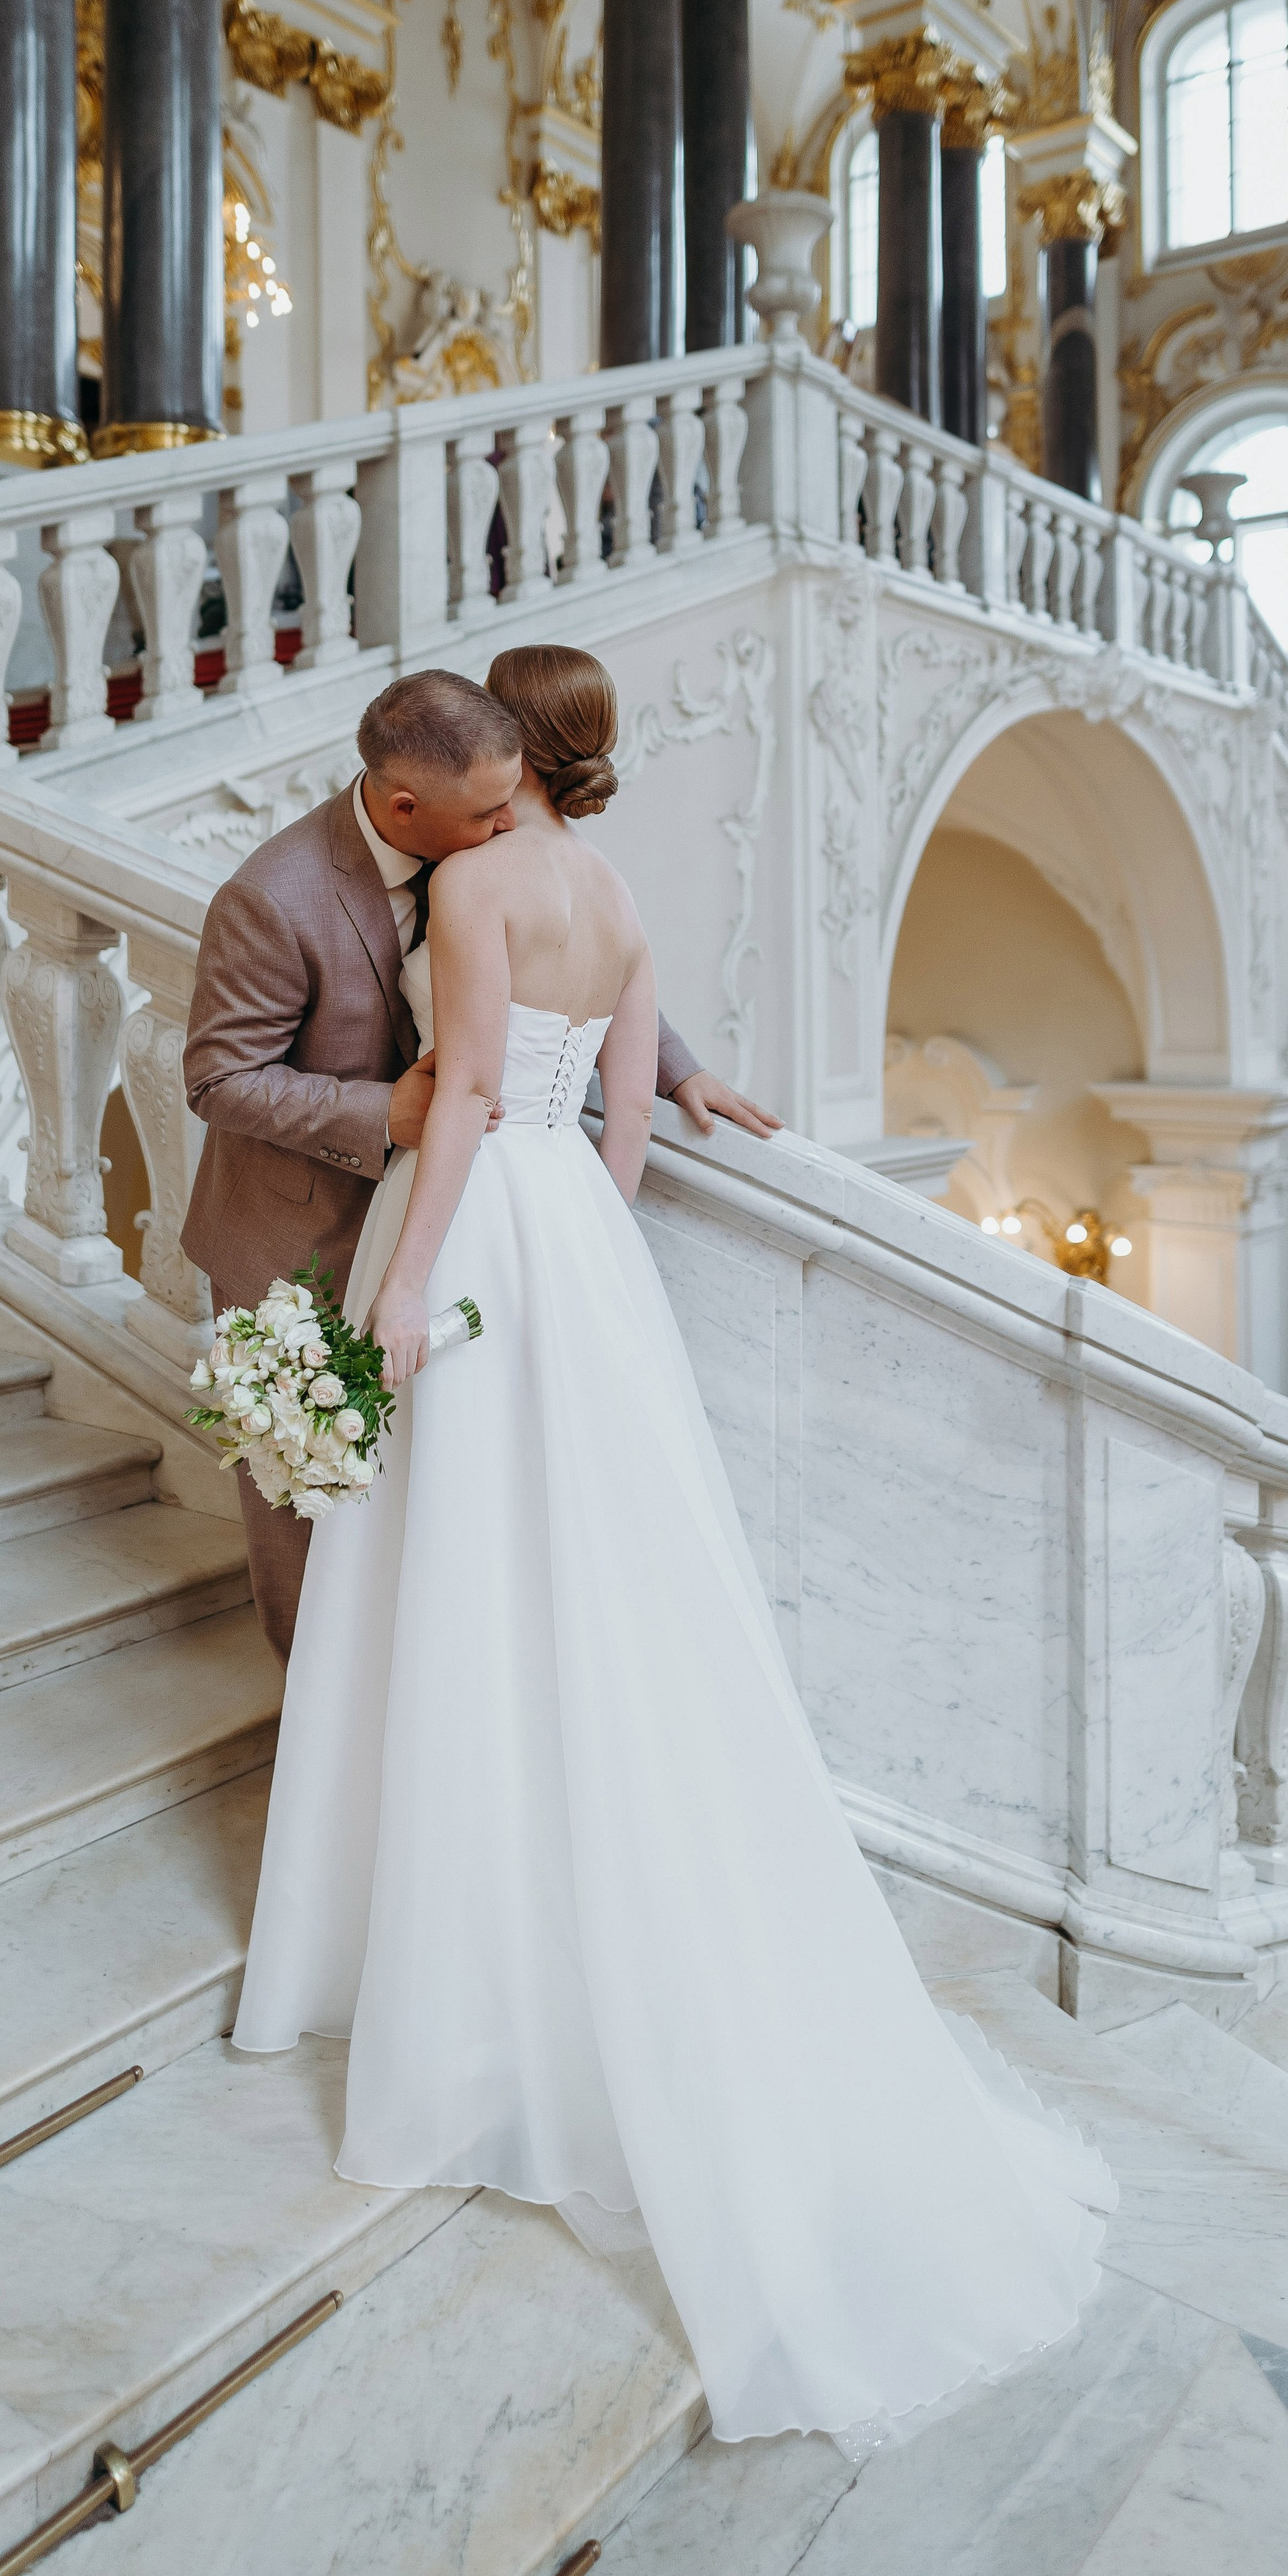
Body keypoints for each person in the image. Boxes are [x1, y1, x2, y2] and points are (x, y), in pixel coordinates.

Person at [231, 643, 1114, 2450]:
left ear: (503, 771)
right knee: (584, 1593)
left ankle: (430, 1953)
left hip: (470, 1219)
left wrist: (412, 1280)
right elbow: (614, 1116)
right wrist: (586, 1253)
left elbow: (462, 1095)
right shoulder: (617, 895)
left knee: (446, 1583)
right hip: (575, 1236)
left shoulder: (473, 885)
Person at [181, 663, 778, 1667]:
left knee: (449, 1511)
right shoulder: (273, 898)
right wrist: (384, 1112)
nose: (514, 825)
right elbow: (218, 1077)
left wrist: (678, 1067)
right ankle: (308, 1728)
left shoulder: (473, 851)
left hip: (445, 1214)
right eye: (490, 811)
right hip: (296, 1235)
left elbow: (556, 969)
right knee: (310, 1518)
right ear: (405, 808)